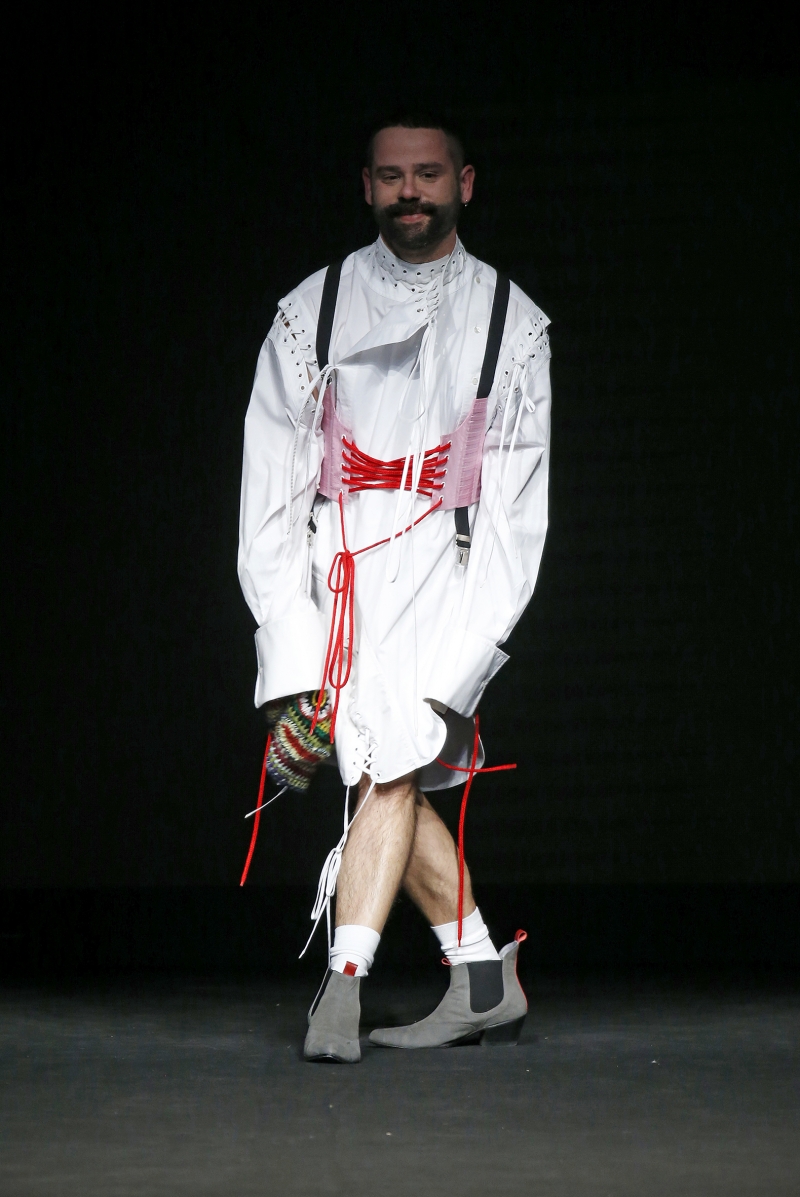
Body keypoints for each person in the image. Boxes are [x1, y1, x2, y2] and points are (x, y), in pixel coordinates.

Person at [238, 114, 551, 1062]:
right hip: (339, 579)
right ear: (366, 186)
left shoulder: (513, 324)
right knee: (389, 761)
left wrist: (463, 664)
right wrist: (291, 645)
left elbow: (515, 513)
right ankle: (481, 972)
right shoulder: (312, 310)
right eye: (390, 176)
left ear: (464, 182)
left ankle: (344, 982)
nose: (409, 191)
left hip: (447, 581)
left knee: (392, 754)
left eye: (427, 174)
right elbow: (270, 486)